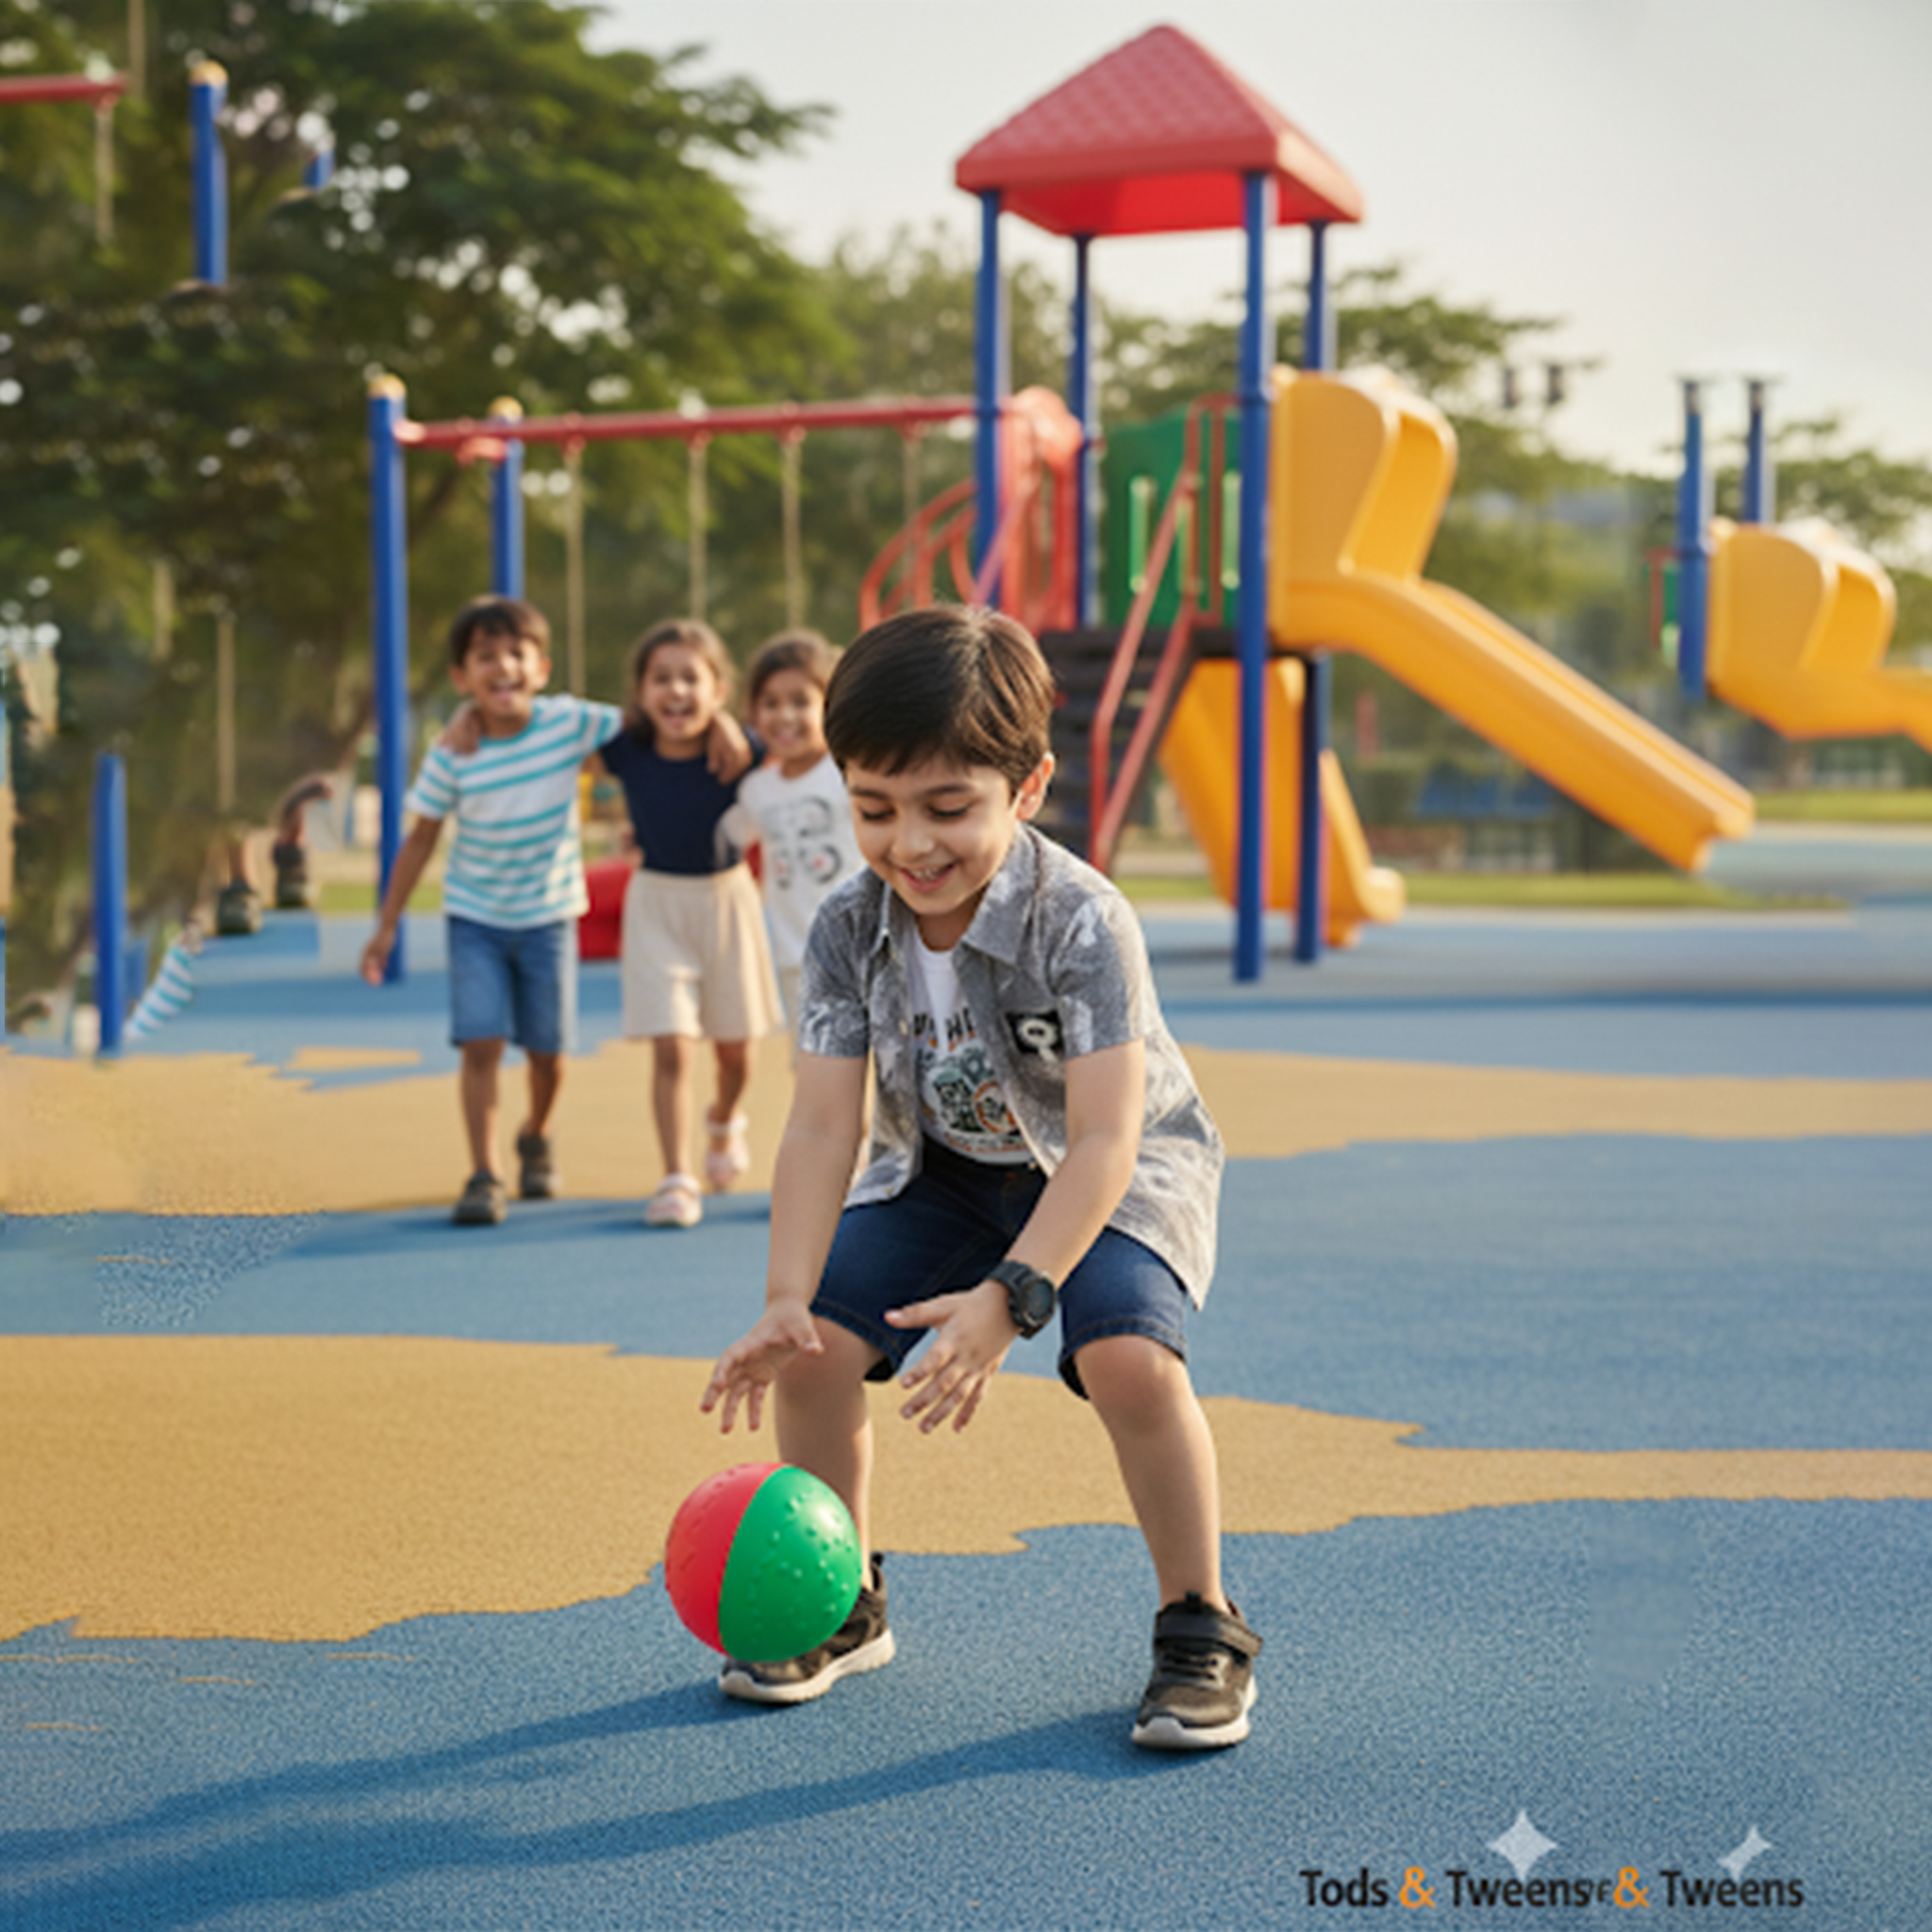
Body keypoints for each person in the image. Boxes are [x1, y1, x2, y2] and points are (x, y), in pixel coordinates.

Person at [699, 605, 1258, 1750]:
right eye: (873, 807)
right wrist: (784, 1295)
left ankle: (1198, 1622)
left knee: (1125, 1360)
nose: (909, 842)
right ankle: (839, 1600)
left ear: (1028, 784)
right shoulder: (851, 927)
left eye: (948, 806)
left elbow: (1103, 1139)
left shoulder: (1083, 921)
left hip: (1112, 1168)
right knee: (814, 1356)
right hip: (945, 1169)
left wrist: (1010, 1298)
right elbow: (817, 1125)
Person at [360, 595, 624, 1224]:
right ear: (461, 677)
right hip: (475, 918)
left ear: (541, 667)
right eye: (484, 657)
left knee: (549, 1052)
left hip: (549, 917)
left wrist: (721, 727)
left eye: (516, 653)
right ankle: (484, 1172)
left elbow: (655, 729)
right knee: (480, 1042)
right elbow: (420, 838)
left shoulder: (568, 724)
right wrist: (386, 924)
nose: (502, 666)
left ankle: (536, 1131)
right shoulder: (455, 750)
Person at [600, 618, 781, 1228]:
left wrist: (733, 727)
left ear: (718, 690)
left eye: (690, 678)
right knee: (672, 1045)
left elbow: (801, 738)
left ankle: (725, 1119)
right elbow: (550, 724)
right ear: (641, 692)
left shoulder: (743, 749)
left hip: (728, 902)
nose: (676, 691)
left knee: (737, 1051)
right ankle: (677, 1175)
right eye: (661, 679)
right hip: (656, 902)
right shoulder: (626, 749)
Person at [721, 629, 864, 1036]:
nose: (784, 715)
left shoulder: (847, 774)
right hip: (796, 954)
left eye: (801, 702)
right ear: (752, 713)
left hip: (862, 948)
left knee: (878, 1063)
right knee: (813, 1063)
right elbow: (726, 836)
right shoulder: (756, 791)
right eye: (770, 703)